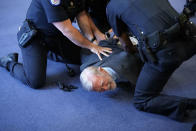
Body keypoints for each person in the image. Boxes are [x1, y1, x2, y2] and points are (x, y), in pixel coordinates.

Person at [106, 0, 196, 121]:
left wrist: (138, 53)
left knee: (141, 100)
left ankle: (189, 105)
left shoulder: (112, 6)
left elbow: (127, 46)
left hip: (168, 55)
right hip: (190, 35)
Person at [0, 0, 112, 89]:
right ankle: (8, 62)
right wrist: (92, 46)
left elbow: (81, 15)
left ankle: (47, 54)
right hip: (35, 37)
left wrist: (92, 40)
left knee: (84, 57)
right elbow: (68, 30)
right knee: (35, 81)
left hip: (57, 36)